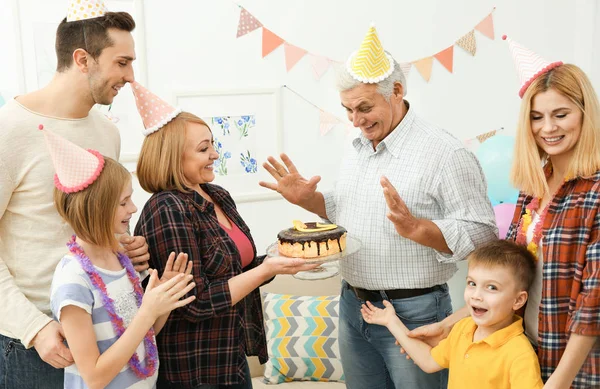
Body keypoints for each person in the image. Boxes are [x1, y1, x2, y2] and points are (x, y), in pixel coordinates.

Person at [259, 25, 498, 389]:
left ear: (397, 92)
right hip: (354, 307)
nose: (355, 120)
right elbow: (345, 211)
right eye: (347, 109)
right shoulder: (356, 147)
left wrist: (420, 229)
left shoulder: (445, 153)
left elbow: (484, 234)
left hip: (415, 313)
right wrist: (310, 201)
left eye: (364, 108)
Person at [407, 37, 600, 389]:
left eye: (561, 115)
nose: (548, 128)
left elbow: (594, 303)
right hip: (525, 354)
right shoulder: (533, 188)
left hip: (575, 368)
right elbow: (506, 274)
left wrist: (558, 383)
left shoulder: (595, 192)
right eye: (537, 117)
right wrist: (450, 324)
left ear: (585, 114)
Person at [130, 82, 319, 388]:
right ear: (172, 156)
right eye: (203, 149)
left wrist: (279, 257)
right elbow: (195, 302)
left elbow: (235, 270)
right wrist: (267, 269)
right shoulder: (167, 208)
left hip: (232, 357)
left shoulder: (217, 195)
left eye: (213, 145)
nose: (215, 154)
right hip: (195, 370)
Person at [0, 2, 150, 387]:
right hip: (36, 344)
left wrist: (122, 247)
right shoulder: (9, 131)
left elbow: (96, 228)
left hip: (106, 332)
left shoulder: (107, 133)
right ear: (83, 59)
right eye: (122, 62)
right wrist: (34, 328)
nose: (131, 77)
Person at [41, 125, 196, 388]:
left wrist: (162, 299)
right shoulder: (73, 280)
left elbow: (144, 335)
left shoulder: (122, 261)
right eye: (124, 202)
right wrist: (148, 311)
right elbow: (94, 376)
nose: (133, 208)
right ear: (97, 209)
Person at [361, 240, 544, 389]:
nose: (476, 295)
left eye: (492, 287)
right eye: (472, 283)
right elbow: (429, 361)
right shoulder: (464, 329)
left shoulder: (520, 354)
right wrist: (392, 322)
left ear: (518, 300)